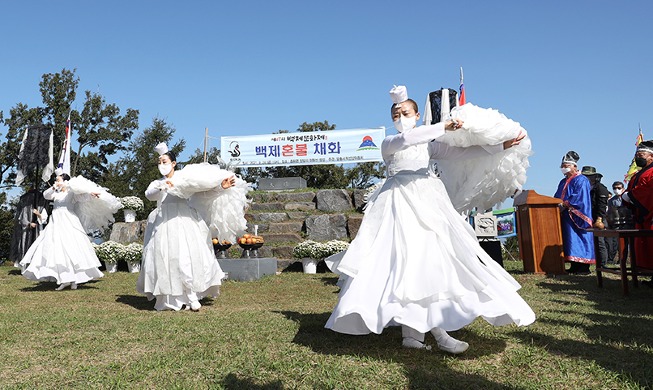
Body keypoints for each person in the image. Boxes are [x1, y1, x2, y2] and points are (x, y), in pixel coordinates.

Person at [325, 85, 535, 354]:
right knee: (403, 262)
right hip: (398, 203)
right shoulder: (389, 143)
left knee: (432, 260)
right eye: (396, 114)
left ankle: (422, 333)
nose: (401, 117)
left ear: (416, 115)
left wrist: (499, 146)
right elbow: (407, 141)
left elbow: (464, 153)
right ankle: (423, 333)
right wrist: (443, 126)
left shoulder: (430, 145)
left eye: (406, 112)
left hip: (429, 202)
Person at [136, 143, 250, 311]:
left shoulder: (184, 179)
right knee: (165, 258)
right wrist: (163, 186)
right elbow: (149, 195)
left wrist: (220, 187)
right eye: (159, 162)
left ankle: (190, 295)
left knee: (186, 257)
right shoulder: (156, 183)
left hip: (184, 221)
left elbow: (203, 193)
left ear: (173, 163)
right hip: (163, 223)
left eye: (165, 161)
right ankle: (167, 297)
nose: (162, 165)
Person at [20, 172, 121, 290]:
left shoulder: (71, 193)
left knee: (71, 247)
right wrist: (54, 187)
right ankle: (65, 278)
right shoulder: (55, 193)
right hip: (56, 221)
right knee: (57, 247)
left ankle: (74, 279)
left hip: (68, 220)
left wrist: (91, 194)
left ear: (65, 181)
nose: (56, 182)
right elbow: (46, 195)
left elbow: (83, 197)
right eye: (56, 180)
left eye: (58, 180)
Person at [554, 152, 595, 275]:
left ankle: (583, 268)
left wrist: (566, 204)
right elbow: (557, 196)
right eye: (562, 165)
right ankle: (574, 265)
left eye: (566, 165)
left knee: (580, 238)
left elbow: (580, 197)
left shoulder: (581, 180)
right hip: (565, 215)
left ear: (575, 167)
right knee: (570, 240)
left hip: (577, 214)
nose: (564, 168)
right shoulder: (562, 181)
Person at [621, 140, 653, 279]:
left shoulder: (651, 173)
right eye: (637, 154)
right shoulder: (637, 175)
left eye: (642, 154)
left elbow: (647, 191)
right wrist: (626, 197)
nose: (638, 157)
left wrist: (631, 196)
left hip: (649, 215)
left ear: (651, 156)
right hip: (640, 217)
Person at [10, 188, 49, 268]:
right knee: (25, 244)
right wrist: (28, 223)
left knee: (37, 245)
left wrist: (38, 215)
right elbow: (21, 217)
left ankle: (35, 266)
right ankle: (25, 266)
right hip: (26, 229)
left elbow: (44, 216)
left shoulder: (42, 199)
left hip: (38, 227)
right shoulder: (24, 200)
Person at [581, 166, 610, 267]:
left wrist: (599, 219)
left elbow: (602, 205)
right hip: (588, 217)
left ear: (594, 177)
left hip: (598, 217)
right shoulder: (585, 188)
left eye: (588, 176)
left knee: (599, 241)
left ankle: (602, 263)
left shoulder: (601, 188)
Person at [606, 181, 632, 263]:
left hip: (628, 223)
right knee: (617, 243)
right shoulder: (611, 201)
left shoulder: (628, 198)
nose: (616, 190)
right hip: (616, 224)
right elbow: (609, 213)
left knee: (629, 242)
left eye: (619, 188)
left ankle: (630, 260)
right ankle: (620, 259)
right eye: (614, 188)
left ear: (623, 188)